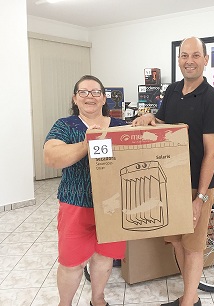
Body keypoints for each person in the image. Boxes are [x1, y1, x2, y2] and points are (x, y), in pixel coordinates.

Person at [133, 37, 214, 306]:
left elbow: (211, 153)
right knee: (176, 241)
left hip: (196, 185)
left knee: (193, 246)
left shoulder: (213, 100)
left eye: (196, 55)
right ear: (178, 60)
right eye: (184, 55)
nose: (189, 61)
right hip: (169, 182)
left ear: (205, 60)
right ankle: (190, 297)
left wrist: (201, 198)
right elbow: (166, 122)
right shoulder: (173, 91)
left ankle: (188, 302)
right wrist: (152, 118)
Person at [43, 75, 127, 306]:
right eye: (83, 92)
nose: (90, 96)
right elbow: (51, 157)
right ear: (75, 98)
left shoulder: (120, 126)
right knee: (71, 262)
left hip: (113, 205)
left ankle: (98, 299)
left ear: (103, 98)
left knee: (104, 257)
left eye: (95, 92)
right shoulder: (65, 125)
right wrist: (87, 142)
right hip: (76, 203)